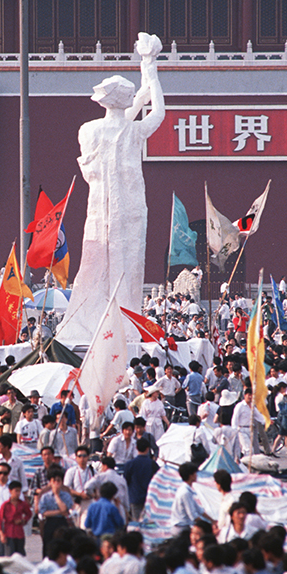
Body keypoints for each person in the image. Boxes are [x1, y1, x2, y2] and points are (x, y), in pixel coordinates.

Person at [56, 32, 165, 344]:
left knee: (97, 260)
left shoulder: (88, 130)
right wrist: (150, 67)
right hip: (129, 205)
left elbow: (124, 118)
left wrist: (144, 81)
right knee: (128, 262)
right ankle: (124, 318)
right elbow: (157, 112)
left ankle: (101, 315)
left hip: (100, 207)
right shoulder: (134, 131)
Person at [169, 461, 214, 537]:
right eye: (195, 473)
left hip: (183, 527)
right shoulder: (185, 492)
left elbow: (199, 509)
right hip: (181, 528)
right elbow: (193, 516)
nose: (196, 475)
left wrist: (212, 521)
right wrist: (208, 526)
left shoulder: (186, 490)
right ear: (191, 476)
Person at [37, 468, 73, 556]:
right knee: (48, 546)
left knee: (63, 546)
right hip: (50, 522)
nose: (56, 483)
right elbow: (43, 512)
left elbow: (65, 509)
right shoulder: (45, 497)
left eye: (58, 481)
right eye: (54, 481)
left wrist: (56, 495)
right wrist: (59, 512)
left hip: (62, 522)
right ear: (50, 482)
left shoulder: (66, 495)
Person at [123, 437, 159, 522]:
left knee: (136, 522)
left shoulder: (130, 464)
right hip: (150, 498)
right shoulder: (152, 464)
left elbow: (126, 481)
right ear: (148, 449)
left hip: (135, 497)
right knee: (149, 523)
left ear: (136, 448)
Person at [0, 480, 32, 557]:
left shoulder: (23, 504)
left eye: (19, 491)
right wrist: (1, 534)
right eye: (16, 491)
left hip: (19, 533)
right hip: (9, 533)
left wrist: (23, 520)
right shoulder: (5, 505)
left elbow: (29, 514)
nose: (18, 493)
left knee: (20, 555)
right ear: (10, 491)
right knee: (10, 556)